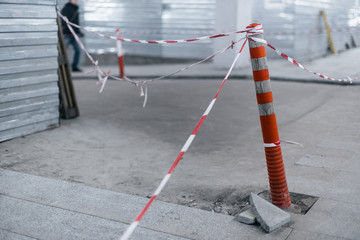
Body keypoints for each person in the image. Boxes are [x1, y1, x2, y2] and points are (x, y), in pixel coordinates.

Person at [61, 0, 83, 72]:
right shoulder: (65, 9)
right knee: (62, 52)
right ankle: (61, 67)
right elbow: (64, 22)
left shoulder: (76, 9)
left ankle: (74, 66)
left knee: (78, 51)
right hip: (67, 34)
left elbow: (76, 23)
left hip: (75, 35)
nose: (76, 1)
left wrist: (79, 32)